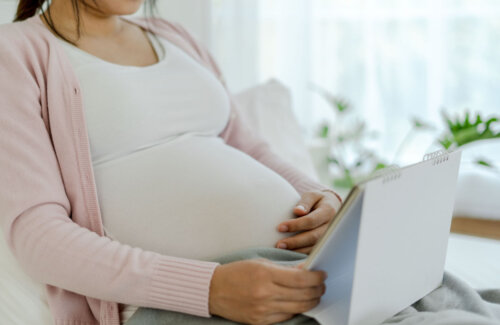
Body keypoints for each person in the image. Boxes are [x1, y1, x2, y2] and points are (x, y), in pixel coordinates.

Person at [0, 0, 342, 324]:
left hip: (297, 269)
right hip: (189, 307)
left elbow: (250, 147)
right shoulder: (16, 51)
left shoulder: (174, 36)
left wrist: (324, 199)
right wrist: (209, 289)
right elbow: (38, 236)